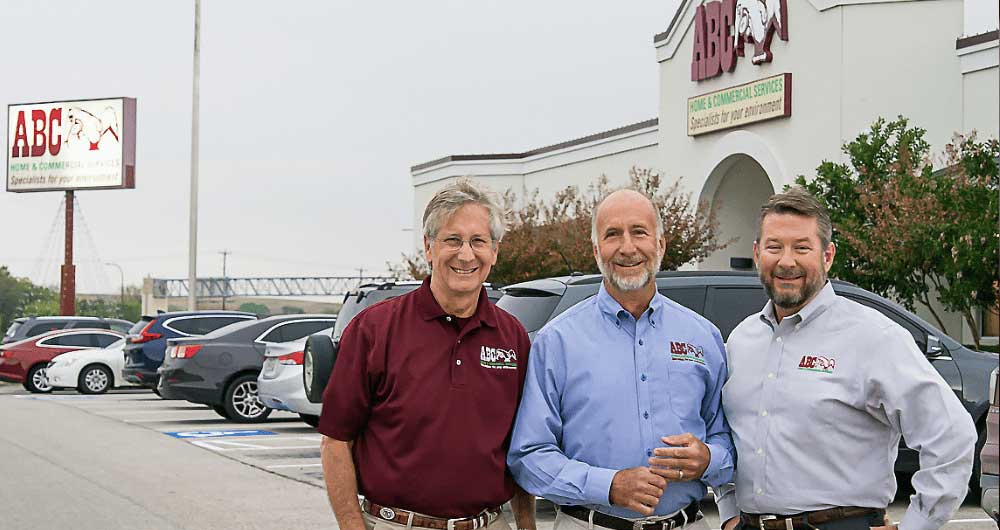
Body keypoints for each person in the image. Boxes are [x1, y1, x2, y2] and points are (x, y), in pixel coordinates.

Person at [721, 188, 977, 530]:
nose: (786, 261)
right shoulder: (741, 341)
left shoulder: (873, 338)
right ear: (757, 253)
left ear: (827, 256)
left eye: (801, 247)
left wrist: (917, 525)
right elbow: (724, 434)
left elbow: (951, 436)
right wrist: (727, 515)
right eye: (774, 247)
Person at [507, 189, 734, 530]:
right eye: (613, 234)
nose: (627, 247)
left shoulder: (703, 336)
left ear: (661, 245)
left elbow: (728, 438)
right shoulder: (557, 341)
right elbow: (528, 457)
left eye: (639, 232)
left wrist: (709, 459)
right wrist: (608, 485)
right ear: (597, 250)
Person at [318, 180, 536, 530]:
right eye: (452, 240)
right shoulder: (374, 330)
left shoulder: (513, 337)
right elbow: (336, 440)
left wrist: (527, 526)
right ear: (428, 247)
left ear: (494, 251)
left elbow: (521, 448)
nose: (466, 254)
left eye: (478, 241)